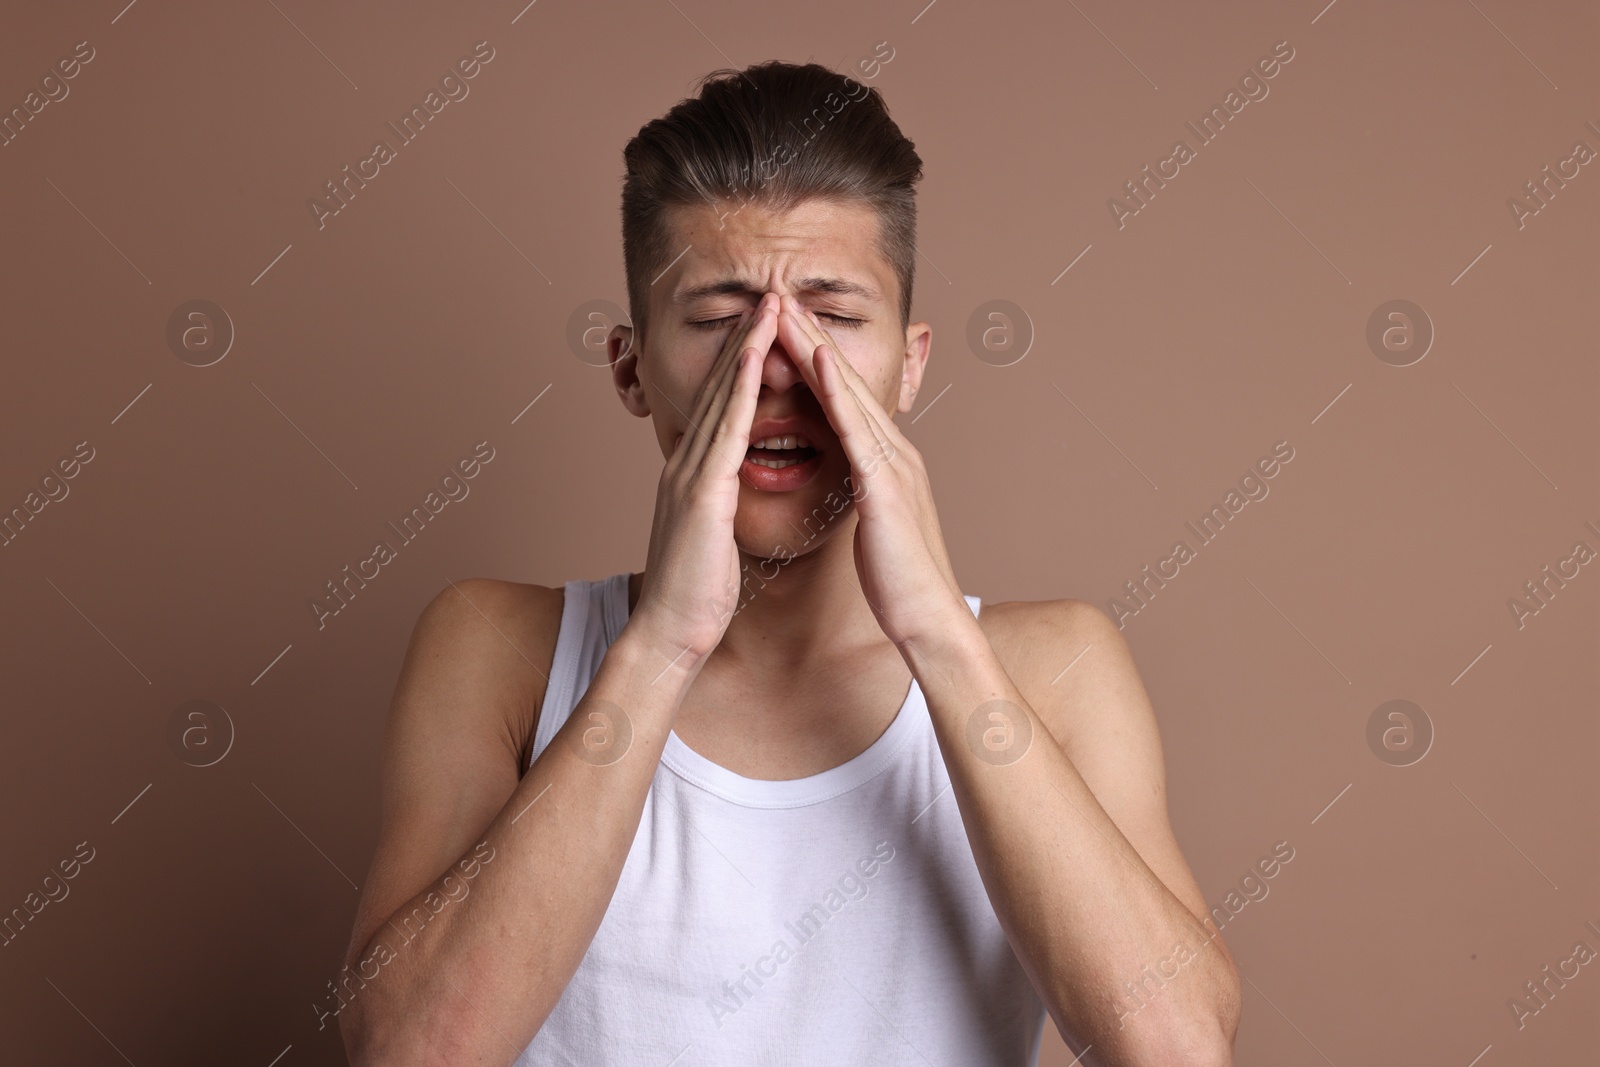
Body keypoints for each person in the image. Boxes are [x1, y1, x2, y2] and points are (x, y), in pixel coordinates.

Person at [337, 60, 1240, 1066]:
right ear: (631, 368)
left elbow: (1176, 1048)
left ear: (908, 364)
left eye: (831, 318)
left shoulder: (1058, 668)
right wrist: (660, 646)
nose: (776, 370)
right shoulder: (497, 649)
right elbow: (410, 1051)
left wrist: (940, 635)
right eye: (722, 320)